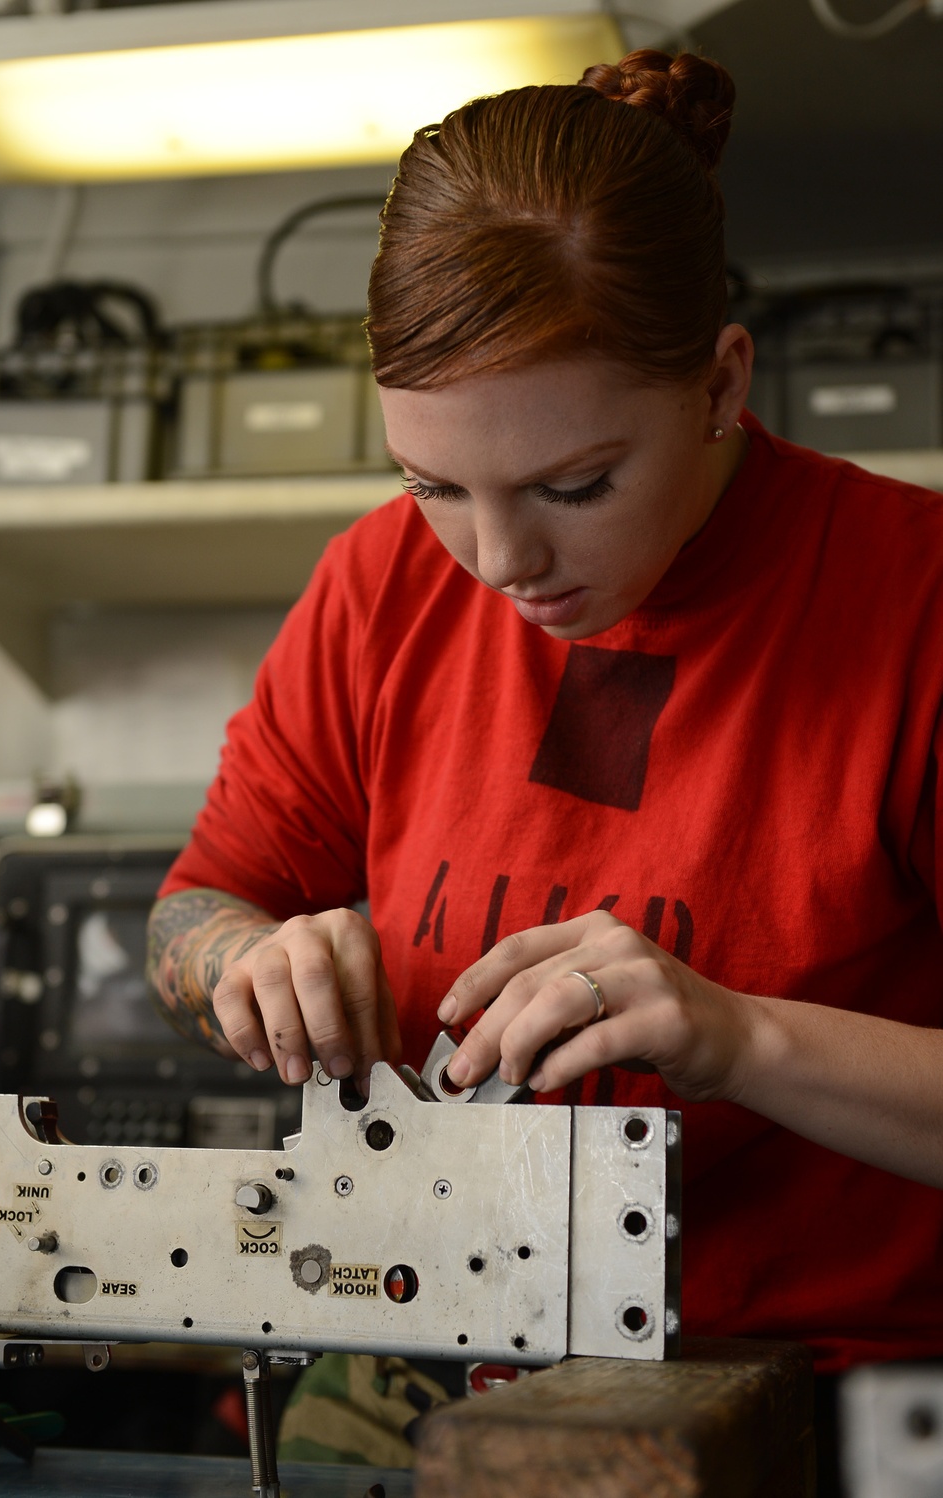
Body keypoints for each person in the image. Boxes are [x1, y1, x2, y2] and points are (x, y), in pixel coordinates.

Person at [148, 45, 943, 1471]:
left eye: (574, 486)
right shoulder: (382, 587)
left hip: (831, 1400)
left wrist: (738, 1035)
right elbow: (196, 904)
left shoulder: (914, 604)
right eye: (434, 484)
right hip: (428, 1348)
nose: (503, 562)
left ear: (718, 385)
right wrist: (242, 963)